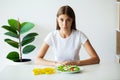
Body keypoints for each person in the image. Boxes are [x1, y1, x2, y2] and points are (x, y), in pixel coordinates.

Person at [35, 5, 100, 66]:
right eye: (61, 20)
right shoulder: (52, 36)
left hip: (75, 72)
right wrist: (55, 63)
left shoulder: (79, 35)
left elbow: (96, 59)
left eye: (68, 20)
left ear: (72, 20)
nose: (64, 24)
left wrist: (76, 63)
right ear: (57, 19)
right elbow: (37, 59)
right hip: (58, 72)